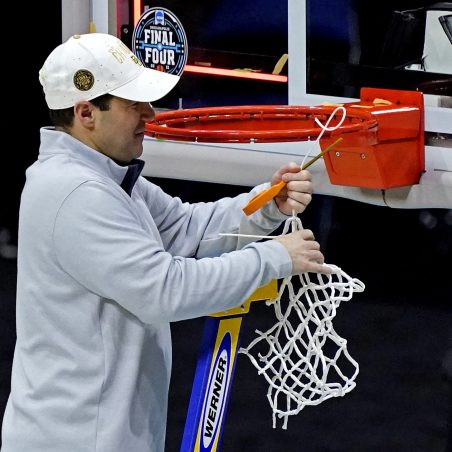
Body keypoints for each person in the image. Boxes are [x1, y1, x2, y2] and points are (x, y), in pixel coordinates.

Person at [1, 33, 330, 452]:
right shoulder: (77, 191)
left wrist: (267, 204)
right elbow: (165, 291)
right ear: (86, 113)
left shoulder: (103, 175)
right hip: (80, 438)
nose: (150, 114)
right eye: (133, 104)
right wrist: (273, 258)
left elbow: (185, 228)